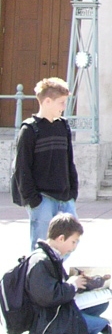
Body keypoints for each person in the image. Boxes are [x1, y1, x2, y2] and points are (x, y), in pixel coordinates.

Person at [11, 77, 79, 250]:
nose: (64, 107)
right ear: (47, 101)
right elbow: (21, 168)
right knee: (41, 247)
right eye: (61, 102)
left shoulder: (63, 126)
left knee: (72, 241)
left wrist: (73, 192)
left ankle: (56, 267)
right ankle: (41, 269)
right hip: (42, 199)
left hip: (65, 197)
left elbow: (69, 161)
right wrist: (33, 200)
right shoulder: (29, 129)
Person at [24, 212, 110, 334]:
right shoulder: (41, 261)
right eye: (73, 242)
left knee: (102, 303)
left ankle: (82, 319)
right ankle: (80, 322)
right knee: (103, 325)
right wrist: (72, 285)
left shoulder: (51, 255)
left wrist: (78, 285)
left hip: (57, 310)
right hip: (48, 322)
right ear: (61, 238)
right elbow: (48, 298)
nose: (74, 247)